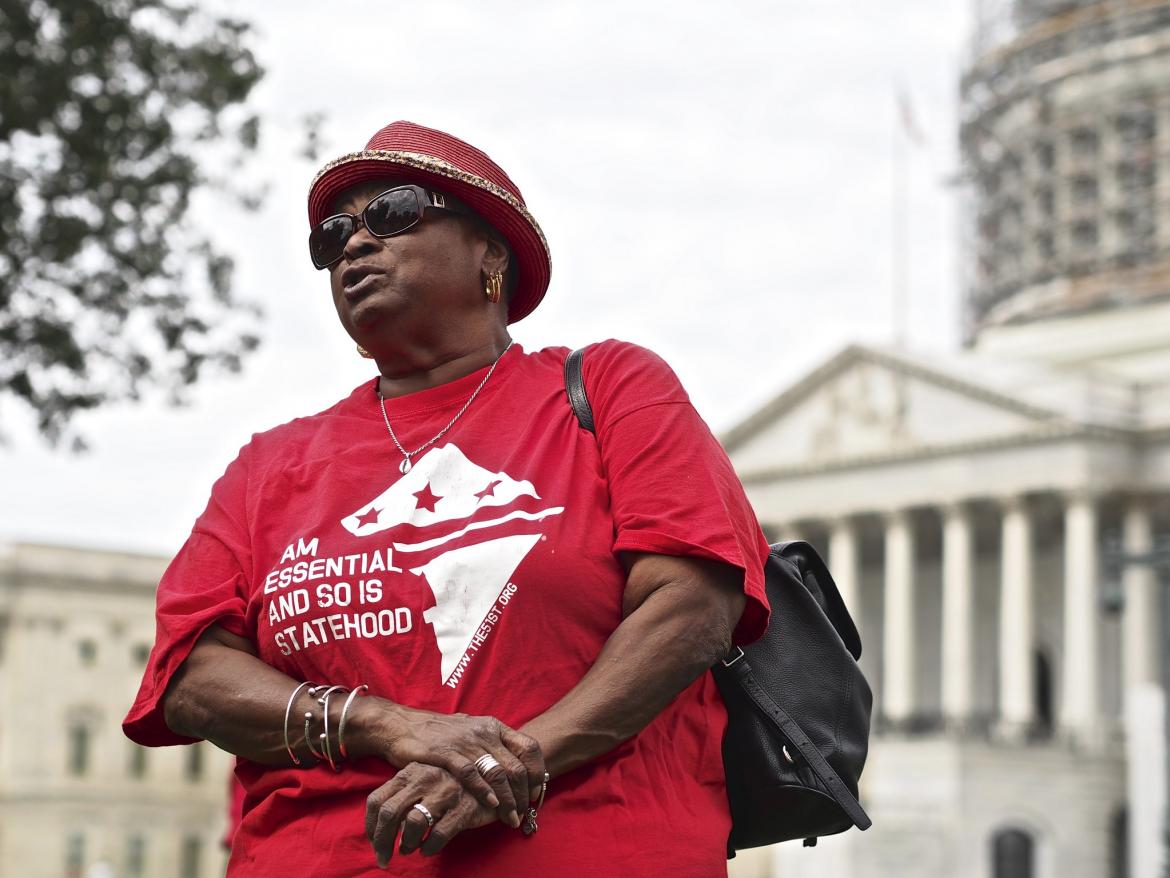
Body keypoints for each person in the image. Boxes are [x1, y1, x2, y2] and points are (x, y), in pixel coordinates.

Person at [123, 120, 770, 876]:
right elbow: (191, 680)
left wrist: (503, 766)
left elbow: (693, 604)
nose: (355, 245)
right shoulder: (270, 467)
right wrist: (386, 725)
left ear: (490, 252)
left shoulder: (611, 391)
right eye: (332, 238)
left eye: (392, 214)